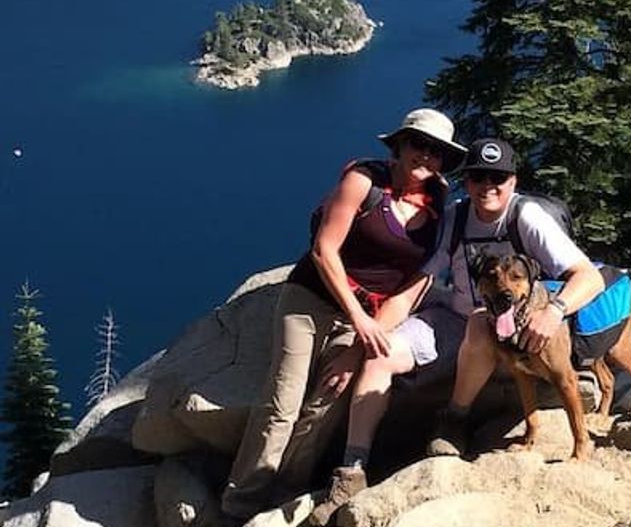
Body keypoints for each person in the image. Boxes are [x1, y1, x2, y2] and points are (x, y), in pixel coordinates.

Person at [308, 137, 604, 523]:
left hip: (515, 332)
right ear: (467, 182)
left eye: (498, 177)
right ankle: (352, 469)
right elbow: (415, 285)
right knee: (381, 358)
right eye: (478, 177)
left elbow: (589, 278)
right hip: (454, 320)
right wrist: (361, 347)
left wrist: (554, 312)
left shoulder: (526, 217)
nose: (488, 186)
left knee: (482, 323)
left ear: (513, 180)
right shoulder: (456, 217)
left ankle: (454, 420)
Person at [220, 108, 466, 524]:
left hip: (367, 317)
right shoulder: (365, 181)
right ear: (400, 146)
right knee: (283, 401)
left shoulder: (440, 207)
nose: (426, 156)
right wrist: (359, 318)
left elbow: (409, 291)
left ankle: (284, 495)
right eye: (418, 145)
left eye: (436, 151)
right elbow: (324, 250)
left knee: (329, 399)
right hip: (310, 300)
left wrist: (359, 347)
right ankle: (239, 502)